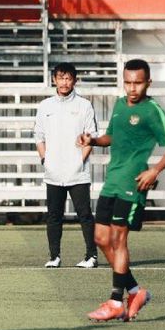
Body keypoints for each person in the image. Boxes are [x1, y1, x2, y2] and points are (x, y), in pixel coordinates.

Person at [77, 59, 165, 321]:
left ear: (148, 82)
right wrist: (93, 140)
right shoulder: (121, 105)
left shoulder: (152, 110)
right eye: (128, 82)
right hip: (112, 180)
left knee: (119, 240)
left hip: (132, 183)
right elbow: (111, 136)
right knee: (100, 239)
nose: (132, 88)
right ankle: (135, 291)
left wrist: (154, 171)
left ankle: (115, 301)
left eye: (138, 82)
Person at [34, 63, 99, 268]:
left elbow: (92, 136)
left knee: (85, 215)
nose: (64, 82)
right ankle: (54, 257)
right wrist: (46, 161)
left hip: (77, 173)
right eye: (61, 78)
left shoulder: (84, 105)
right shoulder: (45, 106)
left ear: (74, 80)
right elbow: (39, 137)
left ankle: (91, 256)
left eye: (68, 78)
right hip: (53, 172)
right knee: (53, 216)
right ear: (54, 80)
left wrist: (80, 161)